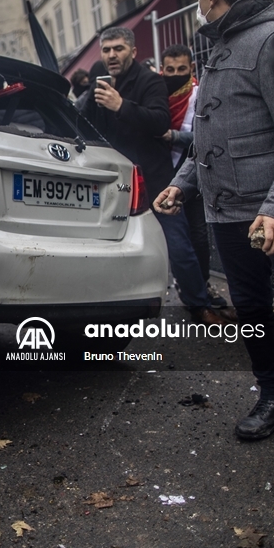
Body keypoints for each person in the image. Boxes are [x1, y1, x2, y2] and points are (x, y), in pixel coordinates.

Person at [154, 0, 274, 441]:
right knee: (251, 310)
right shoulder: (223, 44)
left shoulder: (273, 40)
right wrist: (181, 184)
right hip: (230, 214)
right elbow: (214, 134)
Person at [81, 28, 225, 325]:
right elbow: (87, 125)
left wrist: (121, 106)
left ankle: (197, 302)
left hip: (155, 175)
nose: (111, 55)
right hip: (116, 178)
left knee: (178, 242)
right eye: (106, 50)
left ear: (133, 51)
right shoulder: (100, 86)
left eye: (118, 49)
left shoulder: (150, 81)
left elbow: (159, 121)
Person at [160, 44, 229, 310]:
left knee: (199, 235)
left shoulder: (200, 95)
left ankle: (203, 284)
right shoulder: (156, 96)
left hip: (195, 173)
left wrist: (173, 137)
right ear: (162, 70)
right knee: (179, 240)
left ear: (191, 69)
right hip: (166, 176)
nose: (175, 74)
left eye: (181, 69)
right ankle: (190, 288)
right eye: (170, 69)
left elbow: (205, 134)